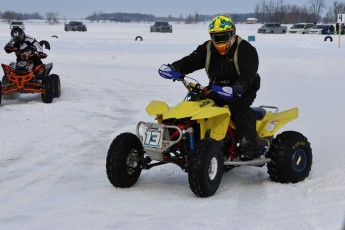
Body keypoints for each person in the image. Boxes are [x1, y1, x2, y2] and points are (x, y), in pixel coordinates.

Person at [166, 15, 260, 161]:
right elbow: (191, 61)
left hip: (242, 88)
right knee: (195, 104)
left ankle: (249, 146)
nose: (220, 41)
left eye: (224, 36)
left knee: (239, 108)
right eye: (216, 37)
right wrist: (175, 67)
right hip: (216, 88)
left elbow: (249, 72)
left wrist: (240, 87)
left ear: (233, 34)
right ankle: (186, 139)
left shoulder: (246, 49)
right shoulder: (207, 48)